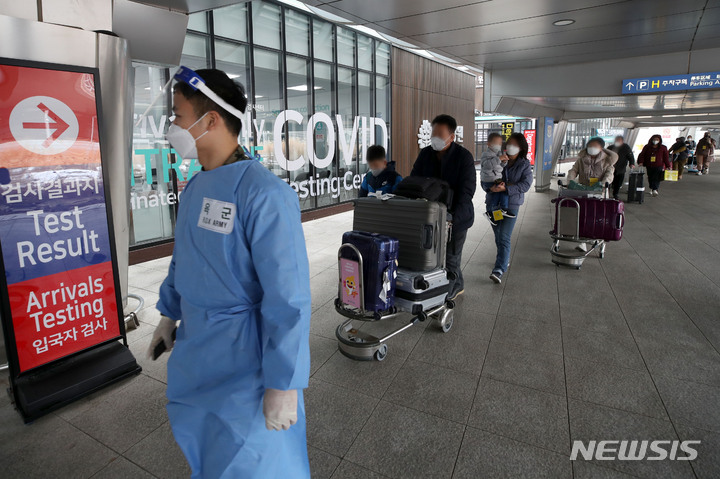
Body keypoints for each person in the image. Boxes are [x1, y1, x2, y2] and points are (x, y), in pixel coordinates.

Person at [148, 67, 311, 479]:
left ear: (212, 121)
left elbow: (289, 297)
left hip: (247, 363)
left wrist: (283, 384)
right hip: (199, 353)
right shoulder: (197, 187)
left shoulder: (265, 195)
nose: (173, 126)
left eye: (178, 116)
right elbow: (185, 258)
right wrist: (170, 313)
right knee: (209, 457)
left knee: (258, 465)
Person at [410, 114, 476, 300]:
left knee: (451, 258)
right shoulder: (425, 154)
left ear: (452, 137)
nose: (435, 138)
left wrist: (453, 217)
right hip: (430, 217)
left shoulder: (464, 157)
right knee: (432, 257)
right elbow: (415, 180)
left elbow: (467, 191)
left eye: (440, 134)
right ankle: (457, 282)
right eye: (433, 134)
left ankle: (451, 290)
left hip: (457, 217)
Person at [487, 133, 532, 284]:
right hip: (495, 204)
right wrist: (491, 188)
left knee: (504, 236)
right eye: (509, 144)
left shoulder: (524, 164)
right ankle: (503, 259)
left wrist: (506, 188)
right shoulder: (498, 158)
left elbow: (525, 185)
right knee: (498, 234)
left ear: (521, 148)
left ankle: (499, 269)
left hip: (511, 205)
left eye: (514, 145)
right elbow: (486, 176)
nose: (510, 147)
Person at [480, 132, 515, 225]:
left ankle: (502, 209)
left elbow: (501, 166)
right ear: (488, 144)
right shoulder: (485, 154)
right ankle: (490, 212)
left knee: (503, 191)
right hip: (489, 180)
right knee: (494, 196)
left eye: (500, 143)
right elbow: (487, 165)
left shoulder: (499, 153)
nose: (498, 145)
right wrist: (499, 159)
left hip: (497, 179)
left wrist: (504, 161)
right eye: (496, 143)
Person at [607, 135, 635, 199]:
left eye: (619, 140)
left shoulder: (626, 147)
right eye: (616, 140)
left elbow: (630, 156)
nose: (617, 142)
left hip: (620, 168)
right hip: (610, 168)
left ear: (622, 141)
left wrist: (631, 163)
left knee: (618, 182)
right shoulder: (610, 147)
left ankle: (615, 194)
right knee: (608, 180)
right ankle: (606, 193)